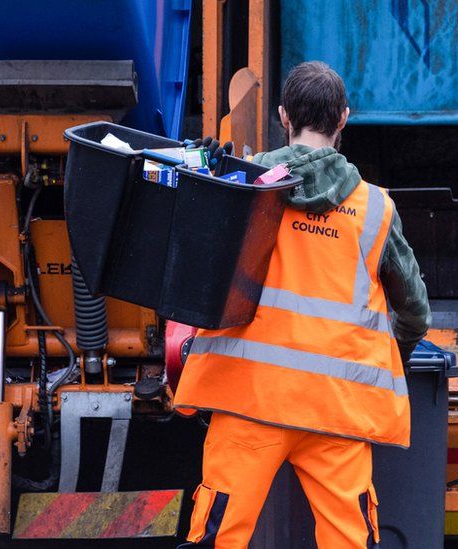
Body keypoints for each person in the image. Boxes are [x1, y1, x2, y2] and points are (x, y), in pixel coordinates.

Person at [173, 61, 431, 548]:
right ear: (344, 119)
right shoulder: (375, 208)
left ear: (283, 116)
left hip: (247, 399)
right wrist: (381, 355)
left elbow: (186, 272)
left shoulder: (244, 187)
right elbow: (415, 310)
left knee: (218, 537)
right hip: (337, 408)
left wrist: (204, 182)